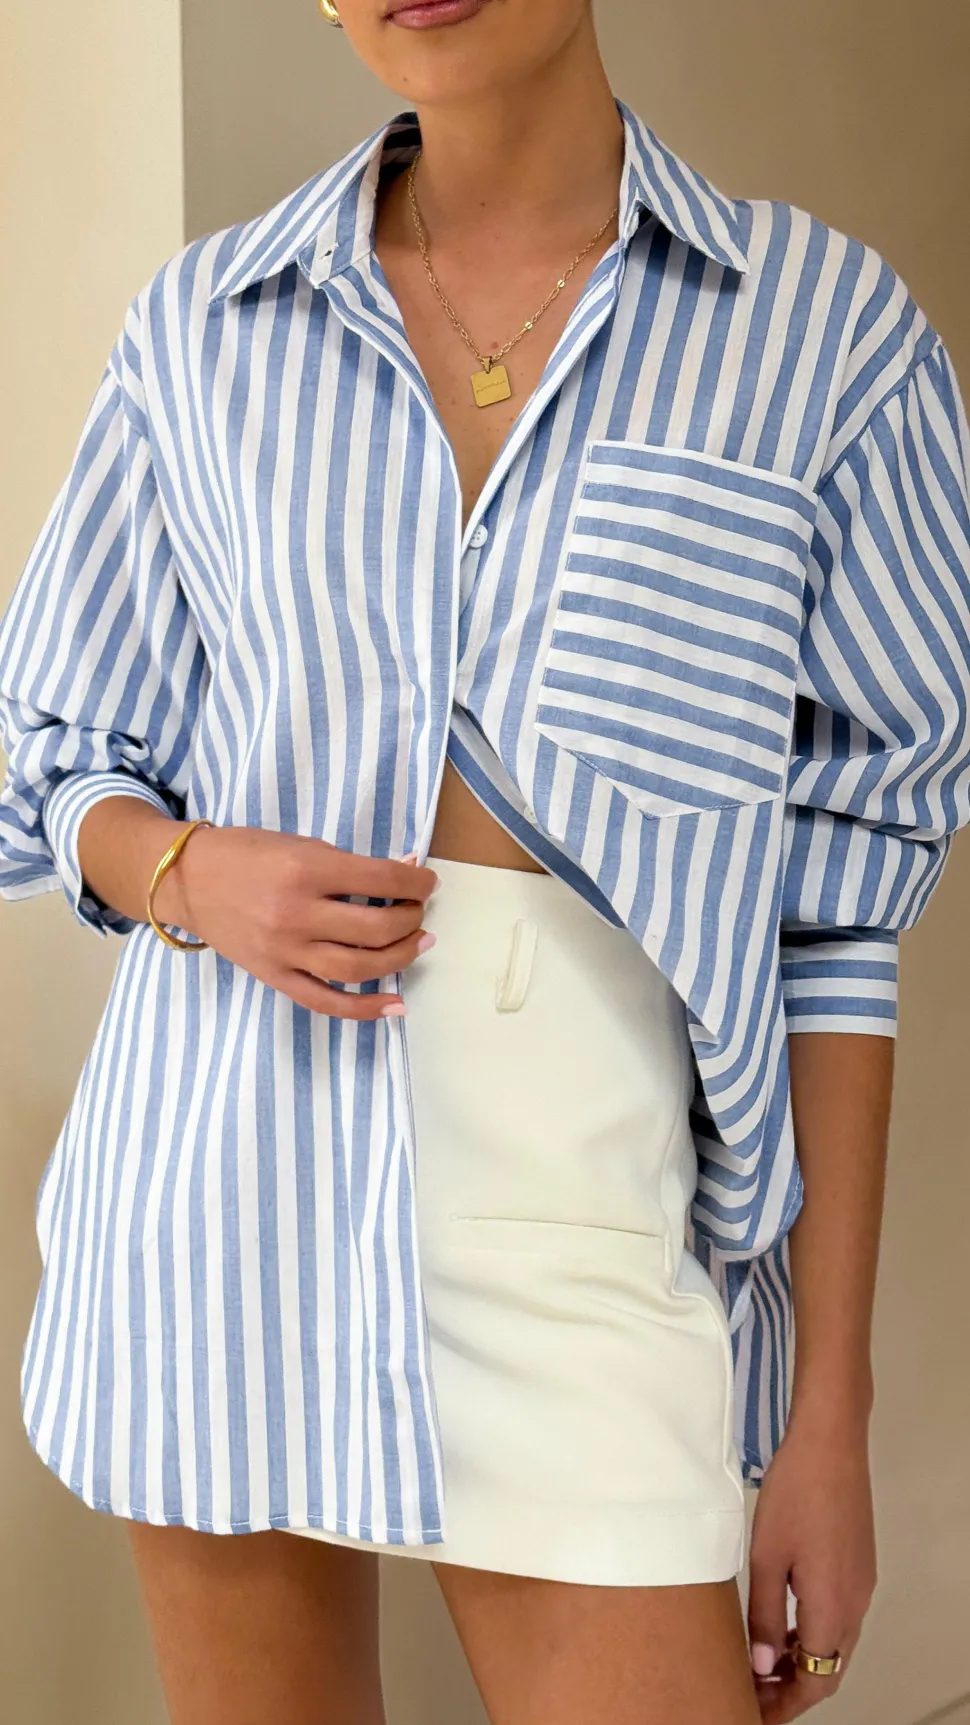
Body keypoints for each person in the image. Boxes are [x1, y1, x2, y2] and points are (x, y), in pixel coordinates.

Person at [1, 0, 969, 1720]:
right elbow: (50, 749)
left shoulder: (823, 336)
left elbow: (837, 912)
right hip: (215, 1193)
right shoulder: (203, 327)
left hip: (581, 1214)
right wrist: (185, 873)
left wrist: (828, 1414)